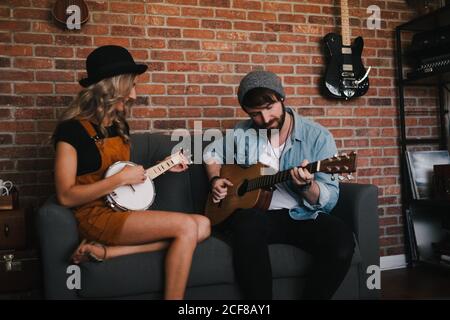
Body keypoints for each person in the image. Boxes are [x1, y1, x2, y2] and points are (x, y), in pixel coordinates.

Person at [52, 45, 210, 300]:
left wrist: (165, 165)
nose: (135, 95)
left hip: (120, 209)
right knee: (186, 226)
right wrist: (121, 178)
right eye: (131, 86)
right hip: (94, 215)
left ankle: (108, 252)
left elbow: (123, 183)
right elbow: (66, 196)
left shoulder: (118, 127)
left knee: (203, 225)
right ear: (114, 88)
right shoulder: (71, 131)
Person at [204, 70, 355, 299]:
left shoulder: (318, 137)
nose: (265, 119)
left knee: (342, 241)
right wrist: (216, 179)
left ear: (281, 98)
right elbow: (211, 153)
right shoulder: (242, 131)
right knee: (247, 221)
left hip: (301, 215)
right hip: (258, 216)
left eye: (269, 108)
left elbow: (328, 201)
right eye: (256, 114)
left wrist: (306, 187)